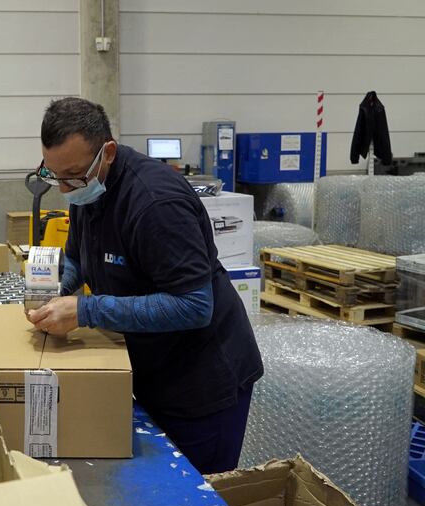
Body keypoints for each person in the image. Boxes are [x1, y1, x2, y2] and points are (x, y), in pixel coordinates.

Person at [26, 97, 263, 474]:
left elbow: (193, 305)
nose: (64, 189)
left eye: (72, 177)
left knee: (197, 501)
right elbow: (77, 256)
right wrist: (56, 286)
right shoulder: (85, 185)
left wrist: (86, 310)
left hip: (201, 380)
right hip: (152, 366)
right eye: (53, 176)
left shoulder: (156, 205)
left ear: (107, 153)